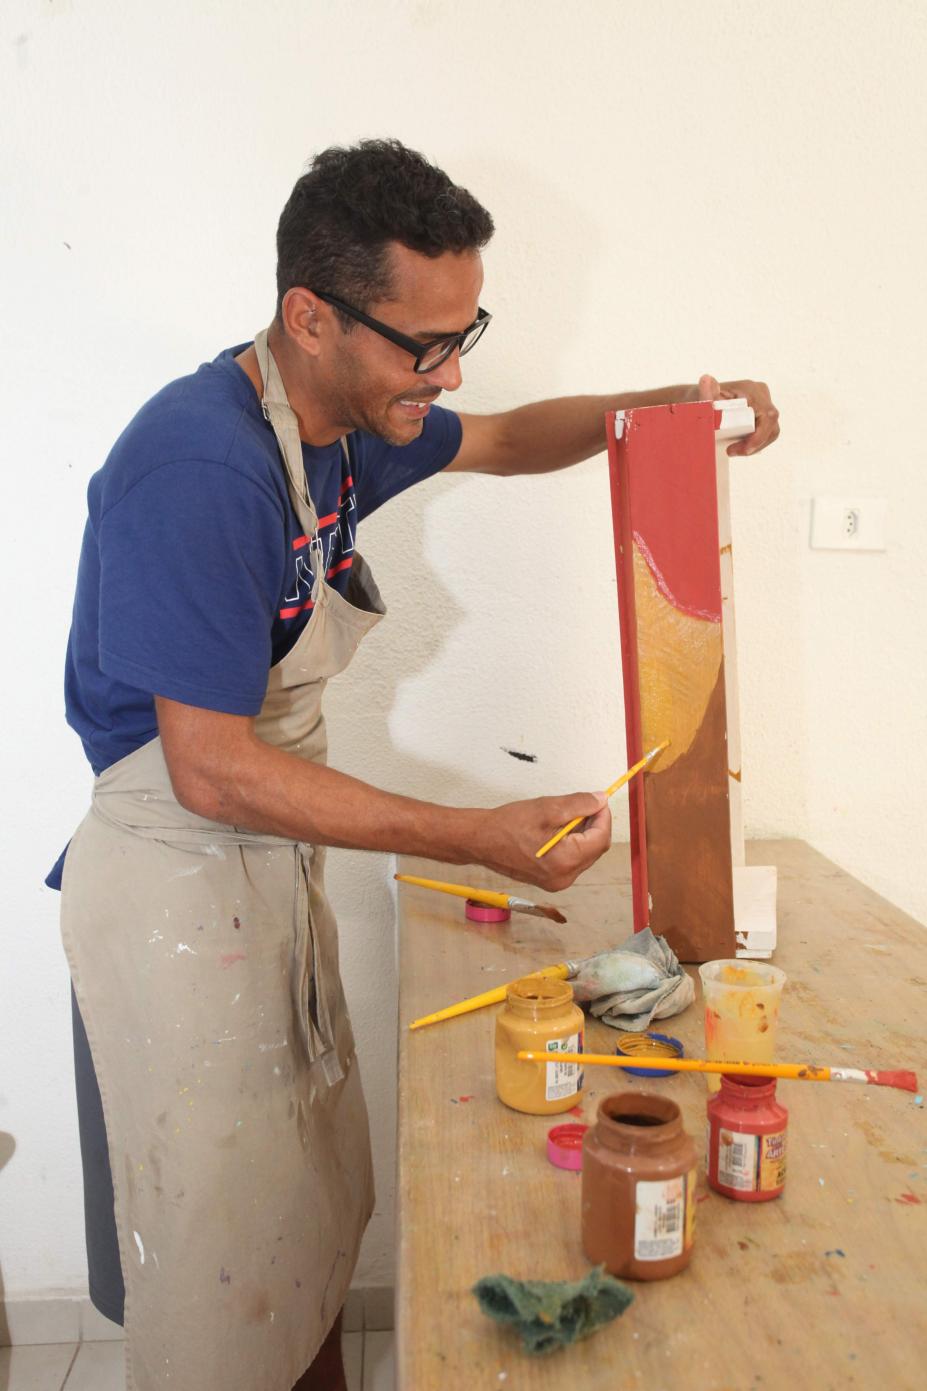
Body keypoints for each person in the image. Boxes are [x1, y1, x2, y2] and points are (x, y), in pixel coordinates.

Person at [51, 138, 779, 1391]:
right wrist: (475, 833)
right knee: (220, 1262)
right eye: (422, 344)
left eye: (463, 332)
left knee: (314, 1208)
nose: (447, 373)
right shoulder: (202, 466)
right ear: (310, 314)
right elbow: (210, 772)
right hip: (178, 878)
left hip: (261, 860)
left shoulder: (344, 423)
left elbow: (501, 439)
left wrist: (669, 409)